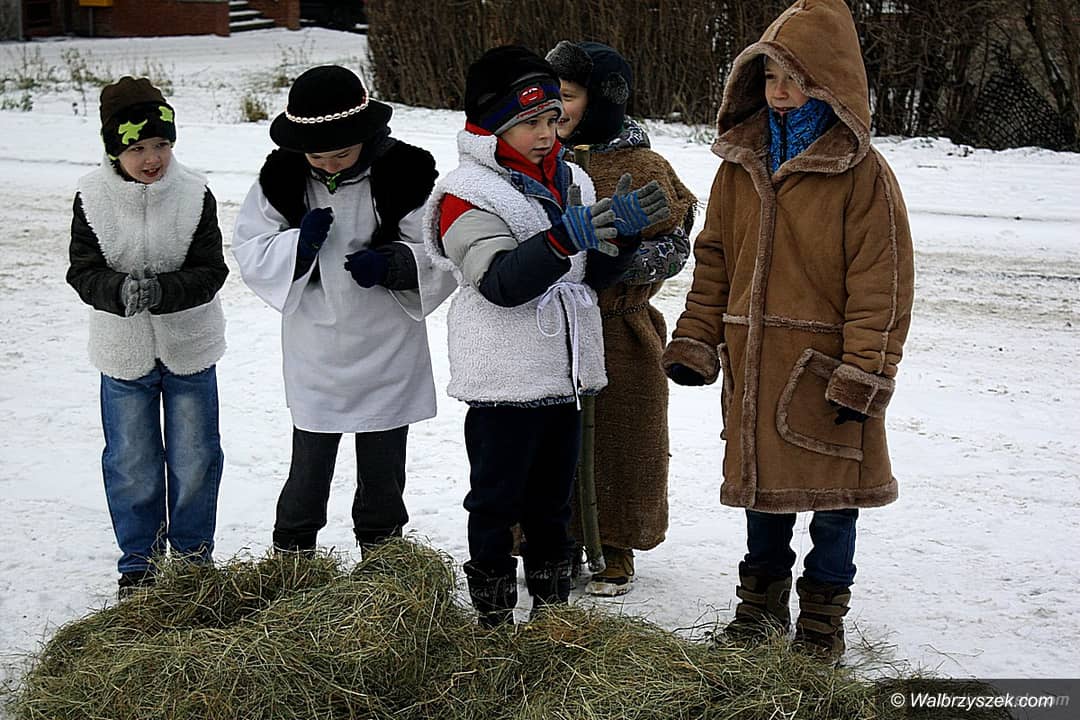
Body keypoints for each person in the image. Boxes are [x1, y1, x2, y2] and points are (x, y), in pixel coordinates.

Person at [661, 0, 914, 663]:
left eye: (795, 78)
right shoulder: (738, 164)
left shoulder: (862, 173)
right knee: (763, 495)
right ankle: (759, 607)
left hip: (825, 373)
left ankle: (823, 619)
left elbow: (881, 285)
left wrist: (865, 371)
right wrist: (696, 336)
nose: (779, 91)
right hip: (755, 367)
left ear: (831, 82)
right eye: (770, 76)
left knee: (834, 503)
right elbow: (715, 259)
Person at [424, 46, 669, 627]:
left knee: (552, 503)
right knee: (496, 502)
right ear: (493, 127)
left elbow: (591, 276)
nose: (545, 133)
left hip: (565, 372)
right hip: (505, 380)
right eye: (528, 122)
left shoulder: (571, 178)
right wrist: (562, 239)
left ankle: (552, 617)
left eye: (552, 118)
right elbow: (500, 283)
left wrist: (622, 239)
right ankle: (492, 617)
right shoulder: (466, 193)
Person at [232, 65, 454, 556]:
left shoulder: (405, 174)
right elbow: (250, 246)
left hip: (387, 343)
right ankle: (292, 552)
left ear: (366, 137)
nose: (329, 166)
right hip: (316, 343)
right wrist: (299, 245)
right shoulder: (282, 178)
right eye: (317, 156)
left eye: (342, 154)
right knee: (310, 461)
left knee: (383, 462)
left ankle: (382, 552)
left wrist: (394, 264)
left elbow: (440, 248)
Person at [66, 76, 228, 597]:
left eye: (160, 144)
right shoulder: (91, 197)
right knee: (131, 462)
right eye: (137, 148)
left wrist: (164, 290)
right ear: (115, 149)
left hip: (190, 349)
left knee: (195, 458)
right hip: (123, 353)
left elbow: (212, 271)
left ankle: (193, 561)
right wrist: (116, 290)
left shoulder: (194, 193)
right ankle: (139, 564)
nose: (152, 158)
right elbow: (82, 271)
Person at [546, 40, 696, 596]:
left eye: (567, 95)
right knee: (545, 440)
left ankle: (614, 542)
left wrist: (625, 259)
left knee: (624, 439)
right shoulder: (535, 157)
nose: (555, 107)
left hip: (620, 328)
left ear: (601, 100)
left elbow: (677, 248)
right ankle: (548, 539)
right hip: (549, 325)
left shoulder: (644, 167)